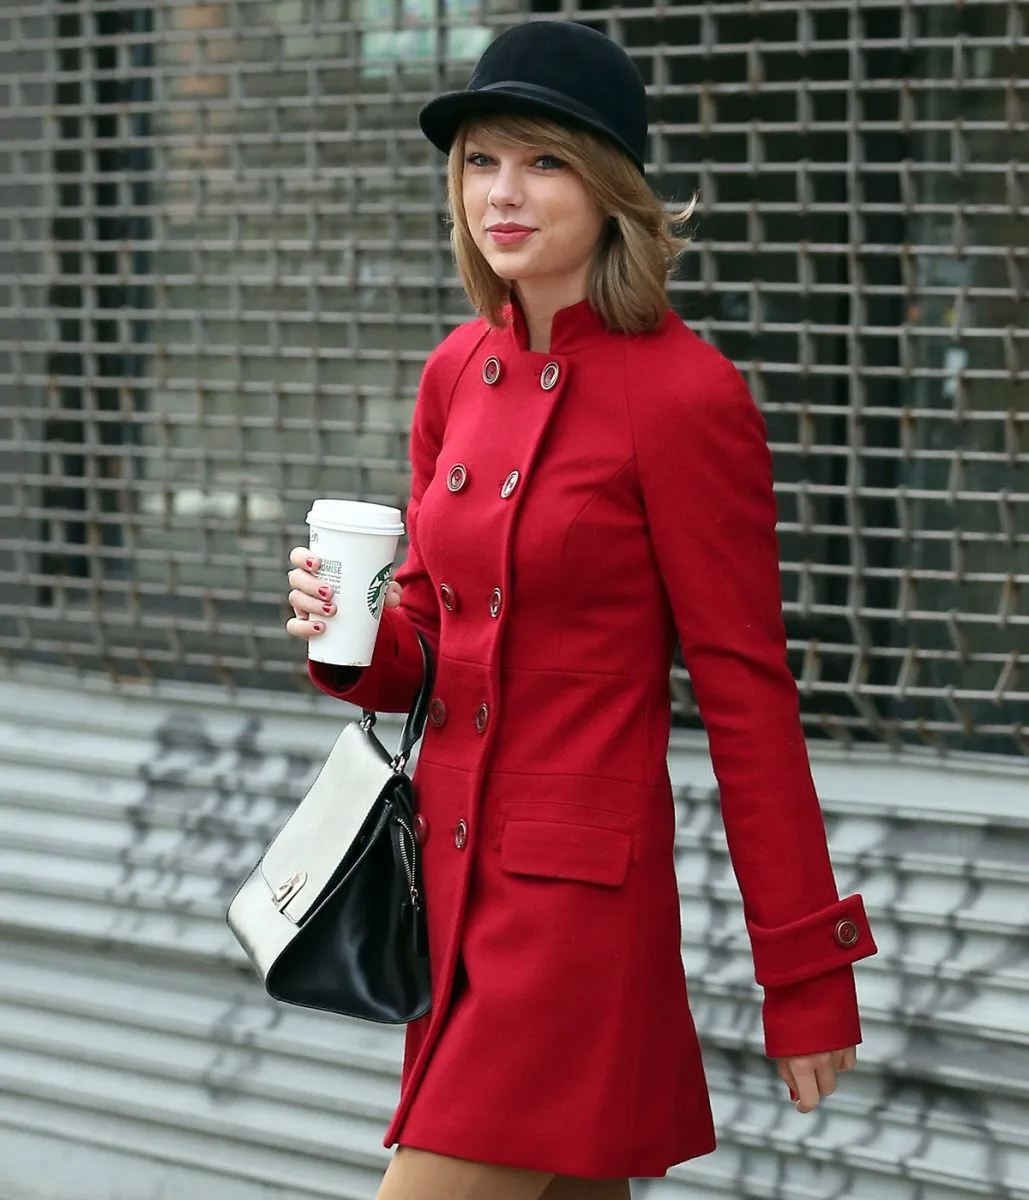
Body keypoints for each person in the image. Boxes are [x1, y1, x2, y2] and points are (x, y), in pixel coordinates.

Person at [284, 19, 877, 1200]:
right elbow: (434, 646)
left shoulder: (686, 395)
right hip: (447, 887)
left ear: (612, 191)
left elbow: (749, 694)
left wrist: (806, 970)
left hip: (570, 916)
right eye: (480, 161)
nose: (502, 193)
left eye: (543, 162)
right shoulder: (455, 372)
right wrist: (349, 637)